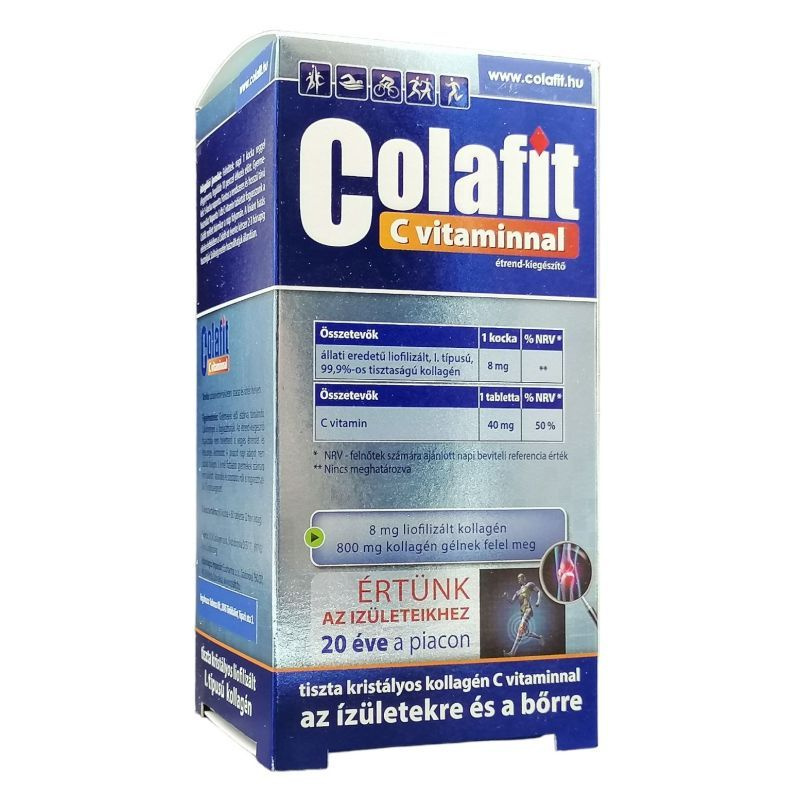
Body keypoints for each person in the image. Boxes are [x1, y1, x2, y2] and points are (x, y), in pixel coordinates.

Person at [503, 572, 543, 656]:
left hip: (528, 610)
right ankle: (539, 637)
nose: (519, 579)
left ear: (524, 578)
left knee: (520, 629)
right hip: (523, 612)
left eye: (520, 577)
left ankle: (512, 652)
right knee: (525, 633)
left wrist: (538, 601)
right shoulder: (517, 592)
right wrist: (506, 597)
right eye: (518, 578)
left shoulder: (529, 585)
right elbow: (512, 601)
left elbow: (539, 591)